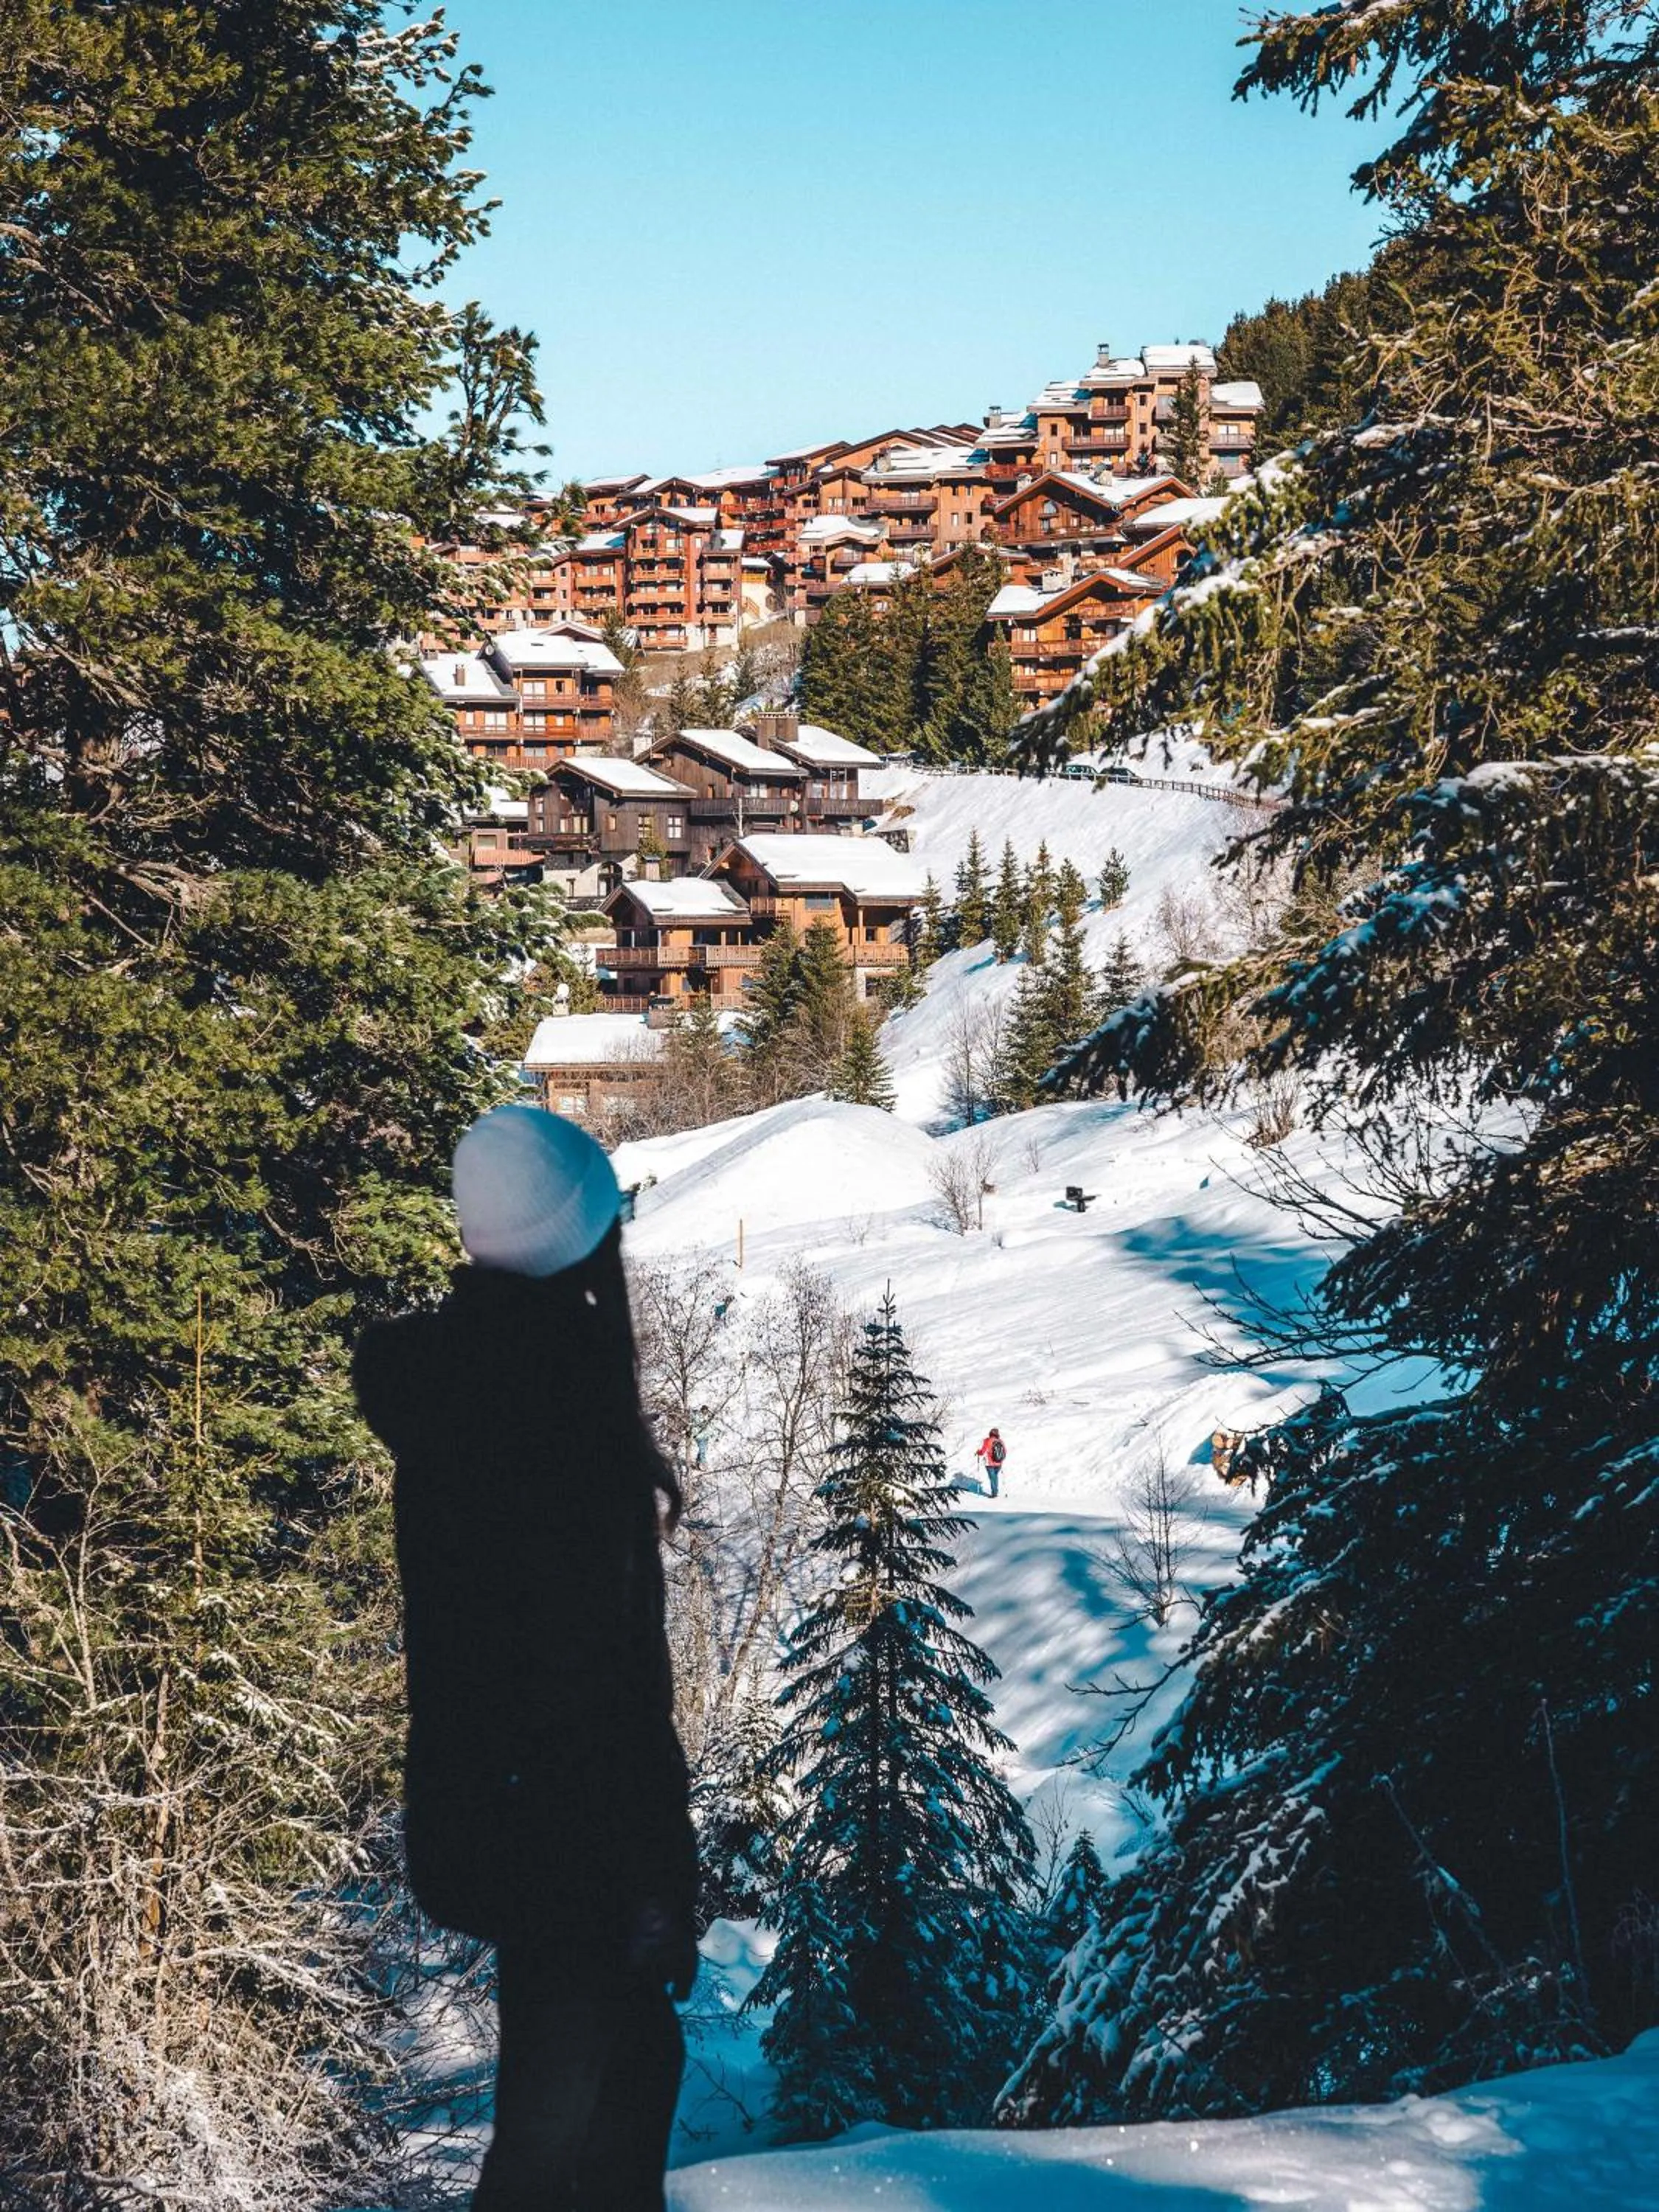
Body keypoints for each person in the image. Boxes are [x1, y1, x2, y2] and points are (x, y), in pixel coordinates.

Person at [354, 1104, 698, 2212]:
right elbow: (595, 1682)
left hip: (497, 1810)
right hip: (573, 1831)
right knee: (567, 2137)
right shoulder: (557, 1408)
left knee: (602, 2098)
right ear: (580, 1236)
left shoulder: (460, 1388)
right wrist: (653, 1873)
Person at [975, 1427, 1007, 1498]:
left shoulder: (987, 1440)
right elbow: (1005, 1451)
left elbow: (983, 1451)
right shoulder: (1000, 1441)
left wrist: (978, 1452)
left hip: (990, 1463)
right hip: (999, 1463)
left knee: (993, 1478)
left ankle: (994, 1493)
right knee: (995, 1477)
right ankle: (995, 1491)